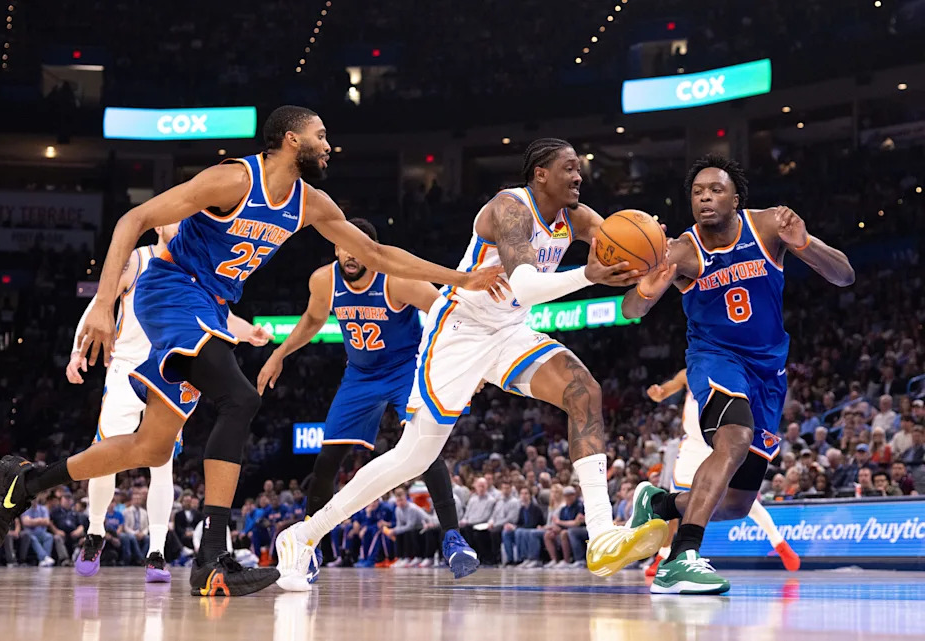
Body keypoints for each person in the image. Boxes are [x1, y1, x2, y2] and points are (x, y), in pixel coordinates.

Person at [0, 105, 500, 597]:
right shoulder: (233, 180)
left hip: (208, 306)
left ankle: (25, 482)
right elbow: (132, 220)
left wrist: (462, 279)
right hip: (170, 289)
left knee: (152, 447)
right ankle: (211, 559)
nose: (329, 145)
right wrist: (101, 305)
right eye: (320, 135)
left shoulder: (312, 204)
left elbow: (378, 254)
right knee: (240, 397)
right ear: (292, 139)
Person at [276, 138, 668, 589]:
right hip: (459, 330)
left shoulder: (576, 218)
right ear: (540, 173)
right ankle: (303, 535)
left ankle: (601, 535)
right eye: (569, 168)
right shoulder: (509, 209)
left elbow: (628, 267)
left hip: (508, 332)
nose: (579, 176)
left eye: (579, 168)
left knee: (585, 390)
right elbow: (524, 286)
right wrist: (588, 275)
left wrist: (655, 260)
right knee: (412, 457)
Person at [624, 154, 854, 594]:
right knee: (734, 439)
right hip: (715, 359)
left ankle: (660, 502)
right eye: (697, 192)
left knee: (736, 503)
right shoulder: (682, 251)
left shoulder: (770, 226)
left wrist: (806, 244)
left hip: (768, 371)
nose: (706, 197)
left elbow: (844, 276)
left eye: (715, 190)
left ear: (736, 197)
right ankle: (682, 558)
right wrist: (645, 291)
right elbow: (631, 310)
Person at [258, 217, 491, 579]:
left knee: (424, 448)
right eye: (342, 245)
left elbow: (447, 315)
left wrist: (466, 366)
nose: (349, 254)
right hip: (361, 374)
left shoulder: (397, 279)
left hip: (406, 368)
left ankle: (452, 537)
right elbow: (311, 320)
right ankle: (308, 546)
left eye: (357, 247)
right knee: (327, 459)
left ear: (372, 249)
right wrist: (278, 354)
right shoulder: (324, 280)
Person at [66, 222, 268, 583]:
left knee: (163, 465)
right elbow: (102, 301)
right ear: (159, 223)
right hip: (127, 368)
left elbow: (223, 315)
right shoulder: (137, 260)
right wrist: (77, 351)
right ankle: (95, 530)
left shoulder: (198, 263)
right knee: (106, 456)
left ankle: (157, 551)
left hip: (171, 367)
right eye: (176, 217)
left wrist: (249, 330)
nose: (182, 222)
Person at [645, 369, 799, 575]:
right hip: (693, 448)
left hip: (720, 445)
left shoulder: (731, 373)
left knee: (743, 501)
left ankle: (779, 543)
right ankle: (662, 556)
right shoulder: (688, 373)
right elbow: (666, 390)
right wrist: (658, 393)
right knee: (674, 505)